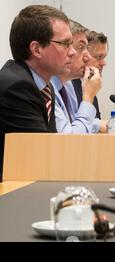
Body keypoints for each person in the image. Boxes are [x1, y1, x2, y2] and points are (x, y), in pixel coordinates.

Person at [0, 5, 75, 181]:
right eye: (65, 44)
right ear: (36, 49)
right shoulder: (16, 87)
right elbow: (42, 156)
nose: (72, 52)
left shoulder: (44, 87)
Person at [51, 20, 103, 134]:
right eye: (80, 48)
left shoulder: (68, 83)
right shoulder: (44, 88)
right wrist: (88, 97)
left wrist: (99, 125)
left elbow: (73, 122)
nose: (88, 58)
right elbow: (71, 140)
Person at [71, 30, 109, 122]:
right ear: (84, 55)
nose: (103, 63)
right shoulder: (69, 85)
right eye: (98, 57)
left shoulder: (89, 83)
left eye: (104, 57)